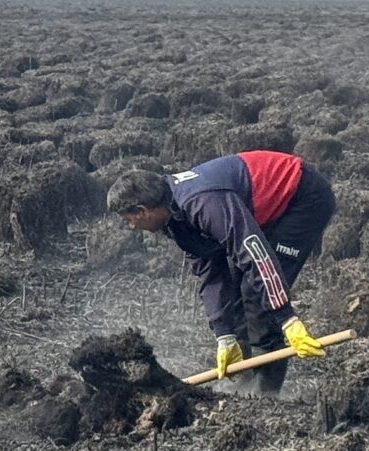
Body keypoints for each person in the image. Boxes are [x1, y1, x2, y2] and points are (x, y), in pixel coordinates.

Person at [106, 149, 336, 389]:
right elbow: (210, 271)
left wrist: (286, 317)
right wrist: (224, 334)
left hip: (301, 196)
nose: (131, 226)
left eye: (129, 219)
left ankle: (265, 391)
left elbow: (253, 253)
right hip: (259, 207)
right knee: (237, 284)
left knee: (255, 292)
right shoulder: (174, 218)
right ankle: (244, 378)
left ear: (143, 210)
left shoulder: (203, 203)